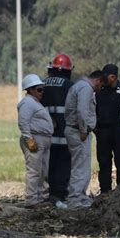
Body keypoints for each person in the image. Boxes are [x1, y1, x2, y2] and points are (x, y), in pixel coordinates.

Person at [64, 70, 106, 209]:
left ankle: (80, 197)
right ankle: (76, 199)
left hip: (75, 130)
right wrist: (83, 130)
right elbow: (82, 111)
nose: (100, 90)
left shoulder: (77, 86)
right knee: (80, 167)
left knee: (80, 166)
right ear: (98, 80)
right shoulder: (86, 89)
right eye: (101, 86)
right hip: (79, 132)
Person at [40, 54, 74, 205]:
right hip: (64, 134)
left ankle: (50, 193)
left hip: (46, 135)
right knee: (64, 165)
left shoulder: (42, 84)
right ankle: (60, 194)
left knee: (49, 165)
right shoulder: (69, 85)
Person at [17, 74, 54, 208]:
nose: (42, 92)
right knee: (34, 171)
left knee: (43, 171)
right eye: (39, 89)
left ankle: (41, 197)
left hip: (42, 139)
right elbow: (23, 122)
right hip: (34, 139)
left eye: (42, 89)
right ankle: (32, 199)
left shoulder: (35, 103)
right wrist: (29, 139)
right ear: (30, 90)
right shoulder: (27, 103)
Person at [95, 64, 120, 194]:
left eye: (106, 77)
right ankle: (105, 191)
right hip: (102, 131)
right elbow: (94, 110)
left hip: (119, 131)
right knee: (104, 162)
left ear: (113, 77)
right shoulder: (98, 91)